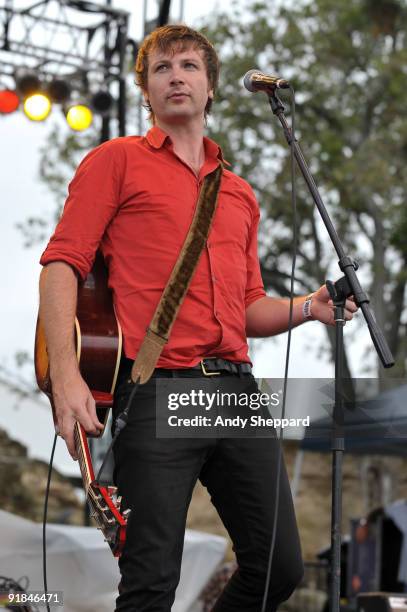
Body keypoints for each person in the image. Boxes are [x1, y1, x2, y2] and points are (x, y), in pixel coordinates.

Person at [39, 24, 358, 612]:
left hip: (235, 391)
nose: (176, 76)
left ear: (211, 87)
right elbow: (61, 264)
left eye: (189, 66)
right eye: (162, 69)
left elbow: (247, 309)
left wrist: (307, 310)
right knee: (151, 584)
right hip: (158, 389)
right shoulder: (116, 161)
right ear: (147, 92)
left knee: (278, 572)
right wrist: (66, 376)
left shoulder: (239, 193)